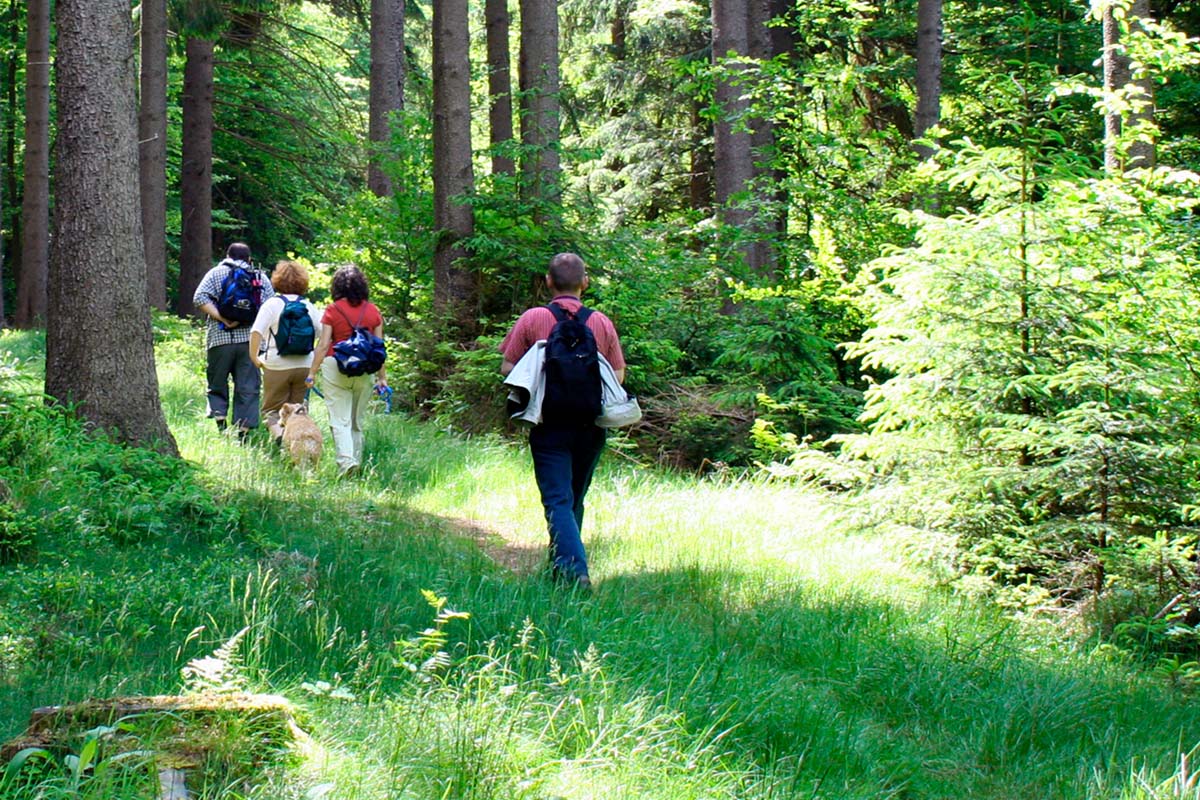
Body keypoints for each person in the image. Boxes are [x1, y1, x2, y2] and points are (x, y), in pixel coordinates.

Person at [499, 253, 626, 590]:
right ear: (585, 283)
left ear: (549, 281)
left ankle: (573, 570)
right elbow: (617, 374)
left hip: (549, 422)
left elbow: (508, 369)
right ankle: (563, 569)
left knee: (557, 499)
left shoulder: (533, 318)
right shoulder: (600, 322)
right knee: (573, 498)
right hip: (591, 424)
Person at [305, 265, 388, 477]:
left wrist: (312, 373)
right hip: (365, 368)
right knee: (356, 421)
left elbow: (323, 345)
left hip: (335, 365)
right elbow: (379, 347)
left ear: (337, 286)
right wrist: (382, 378)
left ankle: (346, 463)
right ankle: (356, 461)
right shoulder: (373, 311)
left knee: (339, 419)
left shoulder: (332, 310)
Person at [193, 242, 275, 437]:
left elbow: (199, 298)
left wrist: (223, 318)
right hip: (251, 343)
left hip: (220, 339)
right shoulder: (259, 277)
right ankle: (243, 434)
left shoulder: (215, 273)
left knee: (217, 382)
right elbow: (270, 306)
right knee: (248, 387)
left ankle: (220, 423)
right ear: (249, 259)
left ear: (227, 255)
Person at [248, 260, 324, 442]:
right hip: (304, 365)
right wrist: (314, 363)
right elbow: (324, 336)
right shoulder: (309, 306)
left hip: (276, 364)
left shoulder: (272, 304)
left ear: (277, 280)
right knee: (298, 411)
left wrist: (254, 357)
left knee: (271, 410)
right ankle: (297, 447)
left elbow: (256, 332)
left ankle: (281, 437)